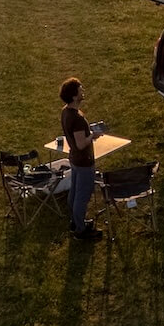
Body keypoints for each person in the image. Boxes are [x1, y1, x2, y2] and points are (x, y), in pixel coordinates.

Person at [58, 77, 104, 241]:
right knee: (82, 196)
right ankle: (80, 230)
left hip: (75, 159)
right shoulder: (76, 118)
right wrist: (92, 135)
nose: (83, 91)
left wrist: (87, 132)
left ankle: (75, 222)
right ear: (74, 95)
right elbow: (81, 144)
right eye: (80, 89)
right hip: (84, 161)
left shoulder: (65, 112)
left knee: (75, 192)